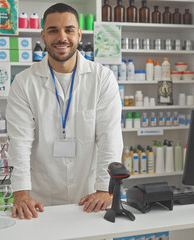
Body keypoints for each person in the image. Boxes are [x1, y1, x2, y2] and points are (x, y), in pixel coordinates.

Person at [6, 3, 123, 220]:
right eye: (53, 30)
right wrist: (21, 194)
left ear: (79, 34)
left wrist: (103, 189)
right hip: (40, 202)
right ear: (43, 36)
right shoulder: (24, 83)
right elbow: (20, 142)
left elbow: (110, 137)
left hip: (90, 197)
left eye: (69, 30)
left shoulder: (102, 78)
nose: (62, 37)